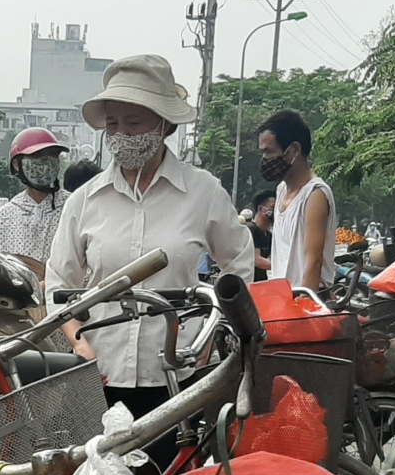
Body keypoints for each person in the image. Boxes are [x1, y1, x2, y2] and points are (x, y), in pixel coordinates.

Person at [49, 54, 253, 439]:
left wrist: (212, 333)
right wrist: (79, 343)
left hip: (179, 377)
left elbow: (239, 264)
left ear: (163, 124)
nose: (122, 134)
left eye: (134, 122)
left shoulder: (203, 191)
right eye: (113, 124)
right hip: (100, 376)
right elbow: (58, 282)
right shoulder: (85, 200)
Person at [0, 127, 70, 332]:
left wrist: (50, 285)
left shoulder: (73, 207)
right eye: (38, 156)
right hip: (17, 325)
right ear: (17, 165)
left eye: (52, 155)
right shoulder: (7, 214)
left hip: (64, 321)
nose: (46, 161)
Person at [258, 109, 337, 292]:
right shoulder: (282, 190)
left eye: (269, 152)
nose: (265, 160)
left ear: (294, 150)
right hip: (284, 297)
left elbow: (314, 261)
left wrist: (304, 306)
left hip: (305, 298)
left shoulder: (314, 194)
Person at [247, 188, 277, 274]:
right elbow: (256, 260)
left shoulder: (268, 235)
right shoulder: (251, 230)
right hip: (248, 282)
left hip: (261, 282)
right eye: (273, 207)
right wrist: (281, 267)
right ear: (261, 209)